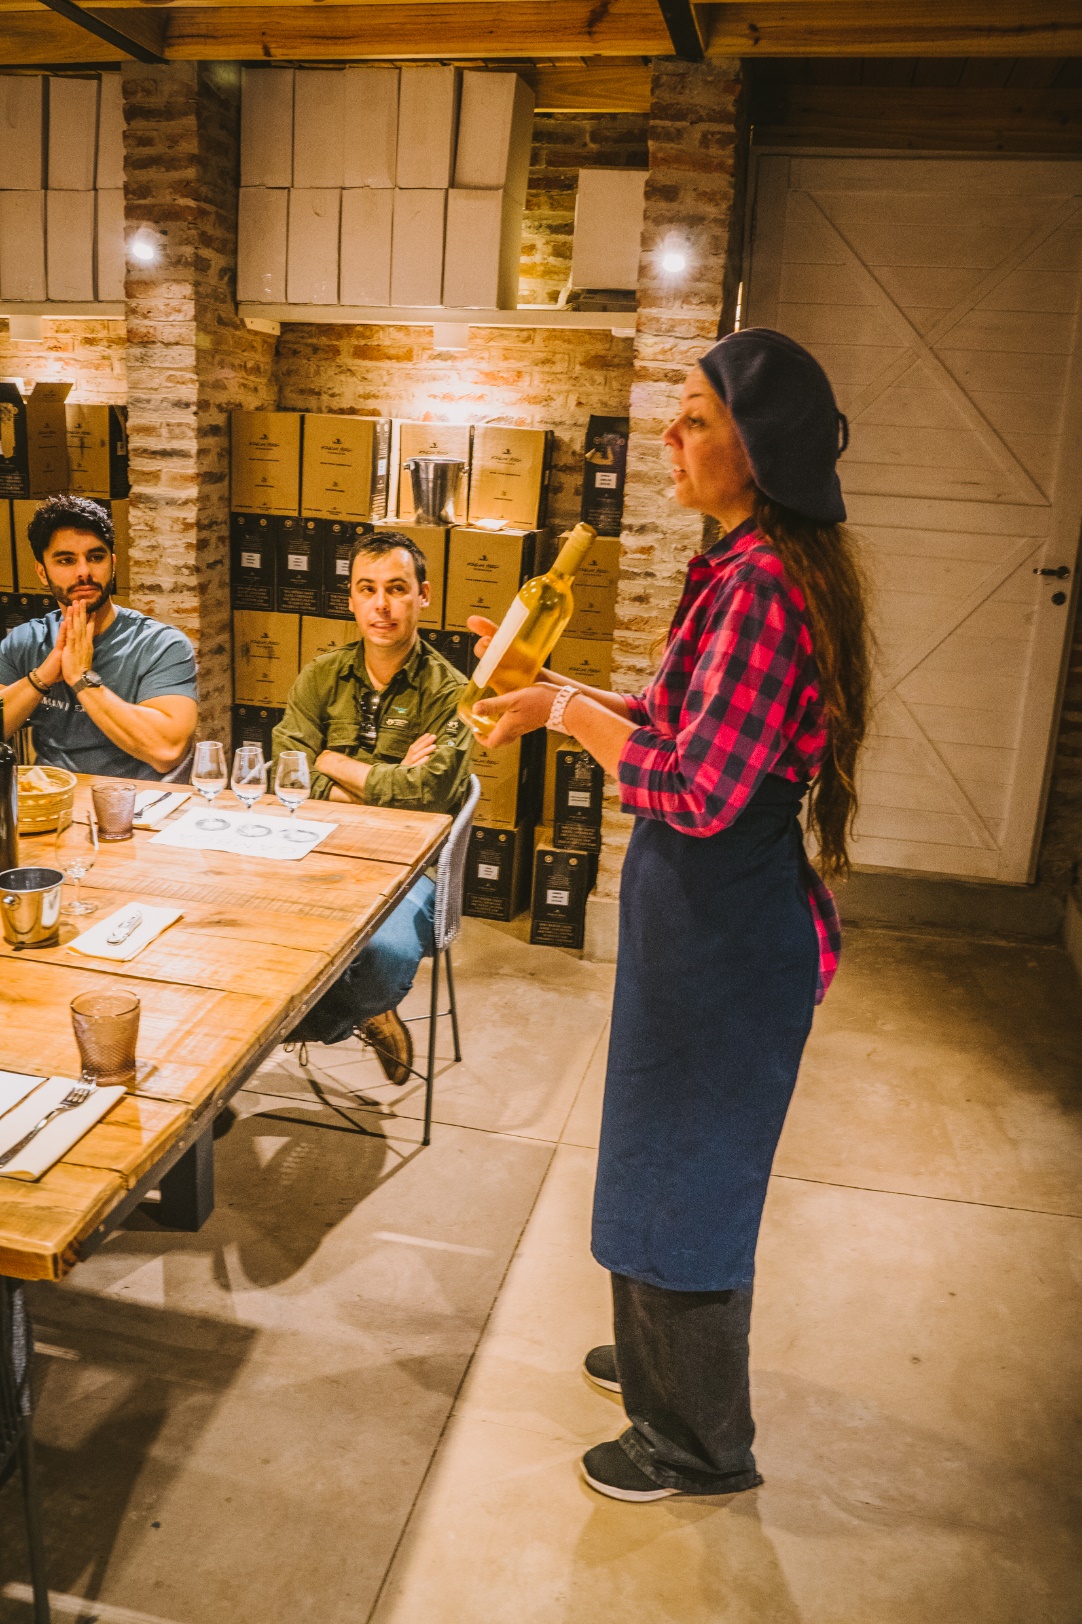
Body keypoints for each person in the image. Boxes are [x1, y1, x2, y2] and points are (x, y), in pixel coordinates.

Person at [469, 329, 871, 1502]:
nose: (669, 439)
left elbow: (694, 785)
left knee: (688, 1176)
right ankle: (661, 1366)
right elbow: (667, 711)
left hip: (726, 942)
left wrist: (560, 716)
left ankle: (696, 1441)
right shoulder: (740, 565)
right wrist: (563, 695)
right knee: (652, 1153)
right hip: (693, 930)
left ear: (754, 446)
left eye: (692, 418)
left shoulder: (761, 588)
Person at [272, 529, 473, 1084]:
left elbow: (428, 795)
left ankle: (333, 1019)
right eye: (367, 589)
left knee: (383, 959)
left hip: (413, 867)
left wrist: (332, 762)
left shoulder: (452, 693)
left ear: (423, 595)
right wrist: (387, 781)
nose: (381, 605)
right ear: (352, 597)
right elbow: (286, 770)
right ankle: (341, 1015)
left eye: (396, 589)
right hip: (314, 847)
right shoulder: (320, 677)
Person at [0, 495, 197, 780]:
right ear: (42, 572)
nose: (84, 572)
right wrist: (42, 676)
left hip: (139, 810)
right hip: (54, 802)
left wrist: (82, 677)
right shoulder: (26, 641)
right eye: (66, 560)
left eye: (95, 557)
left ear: (113, 564)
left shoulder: (162, 645)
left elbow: (167, 751)